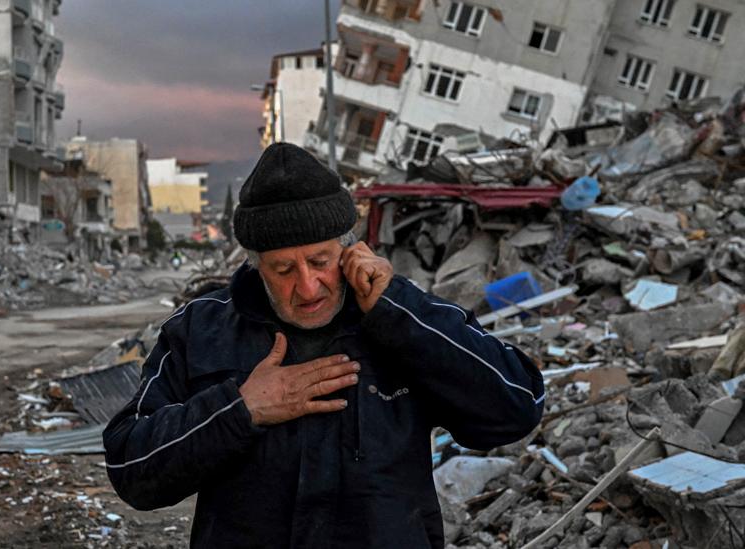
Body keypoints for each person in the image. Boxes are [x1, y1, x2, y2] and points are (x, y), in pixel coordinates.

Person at [103, 143, 544, 548]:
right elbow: (131, 470)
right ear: (255, 265)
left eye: (320, 261)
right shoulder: (201, 329)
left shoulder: (404, 315)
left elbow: (516, 408)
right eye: (283, 269)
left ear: (349, 250)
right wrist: (240, 409)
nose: (308, 287)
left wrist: (399, 313)